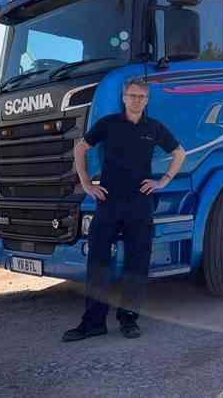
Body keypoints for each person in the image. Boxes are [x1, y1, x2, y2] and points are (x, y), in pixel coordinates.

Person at [62, 76, 186, 342]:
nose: (136, 100)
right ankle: (93, 323)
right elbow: (80, 148)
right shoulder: (108, 124)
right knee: (98, 262)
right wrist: (85, 182)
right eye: (132, 95)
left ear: (147, 100)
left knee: (137, 264)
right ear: (124, 97)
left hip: (139, 204)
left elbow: (179, 153)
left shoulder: (153, 128)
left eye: (141, 96)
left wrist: (163, 181)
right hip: (107, 201)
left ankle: (128, 320)